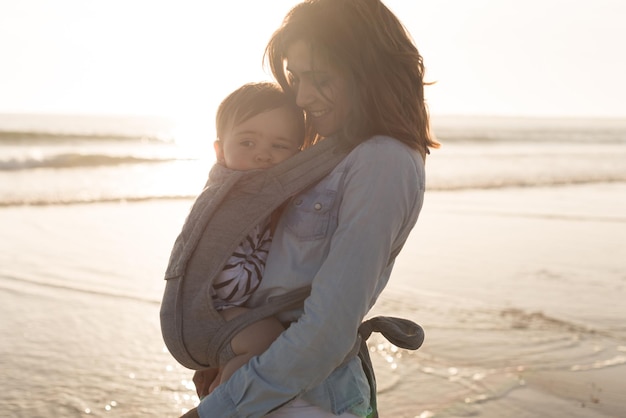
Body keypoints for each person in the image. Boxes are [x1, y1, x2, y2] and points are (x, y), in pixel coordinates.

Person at [188, 0, 439, 416]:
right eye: (295, 77)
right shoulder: (328, 152)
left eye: (319, 78)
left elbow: (327, 330)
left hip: (313, 399)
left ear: (368, 72)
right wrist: (225, 349)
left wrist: (216, 410)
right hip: (267, 383)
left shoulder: (383, 161)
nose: (302, 97)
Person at [203, 81, 305, 393]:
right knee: (266, 339)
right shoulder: (229, 199)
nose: (263, 155)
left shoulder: (263, 195)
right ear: (220, 150)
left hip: (230, 307)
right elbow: (219, 278)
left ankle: (221, 384)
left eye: (279, 146)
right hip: (214, 309)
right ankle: (221, 404)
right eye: (248, 143)